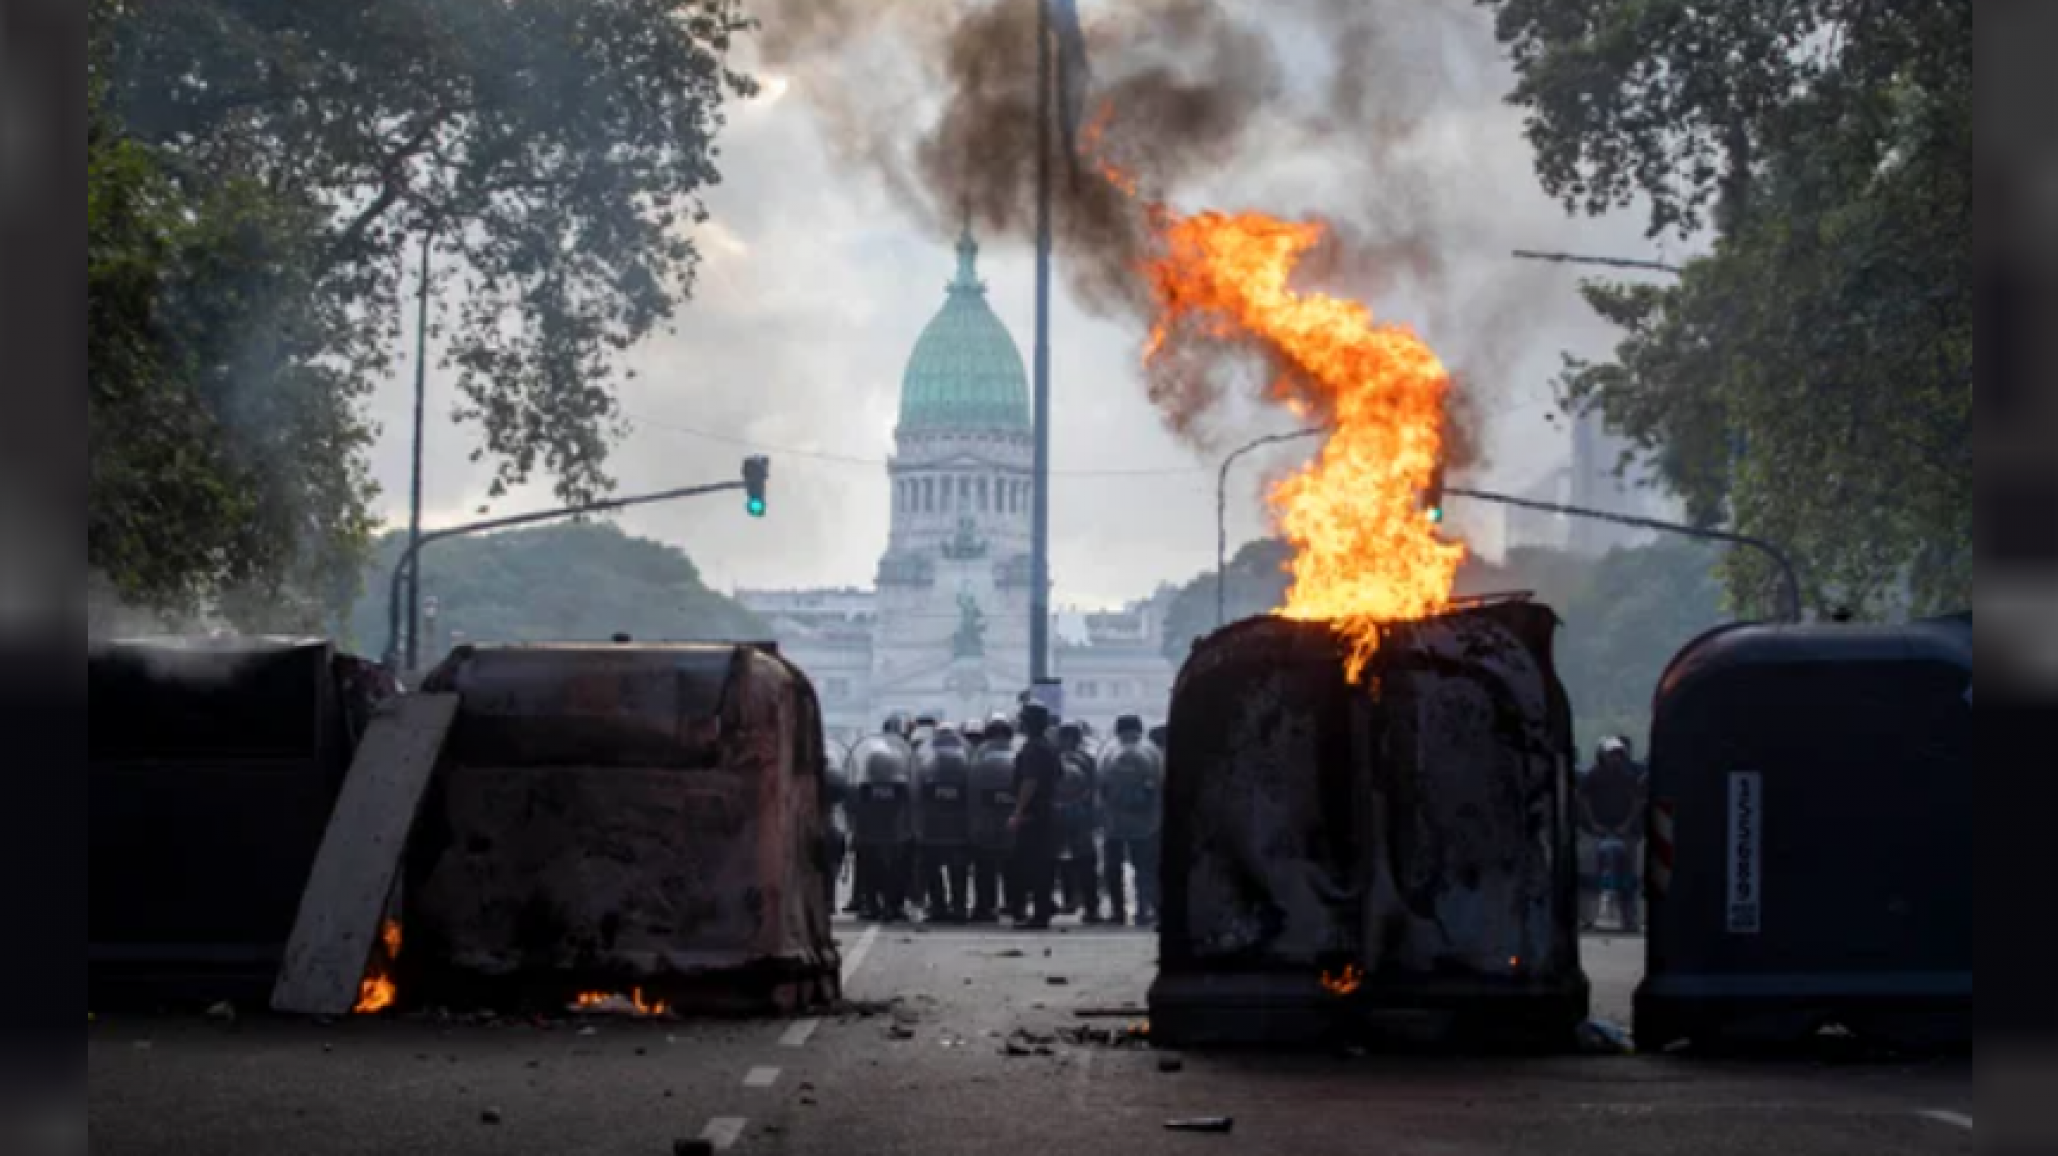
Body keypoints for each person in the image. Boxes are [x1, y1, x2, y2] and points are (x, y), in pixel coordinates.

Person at [1578, 737, 1649, 933]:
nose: (1615, 758)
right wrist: (1594, 823)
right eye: (1611, 754)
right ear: (1603, 755)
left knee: (1629, 877)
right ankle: (1587, 918)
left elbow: (1637, 801)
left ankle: (1630, 919)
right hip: (1596, 831)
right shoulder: (1594, 775)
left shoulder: (1630, 776)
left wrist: (1626, 825)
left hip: (1627, 833)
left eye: (1619, 754)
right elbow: (1584, 799)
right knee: (1590, 876)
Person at [1100, 716, 1165, 929]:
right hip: (1147, 821)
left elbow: (1098, 785)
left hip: (1113, 821)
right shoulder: (1153, 752)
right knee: (1144, 868)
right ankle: (1143, 910)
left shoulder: (1107, 751)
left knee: (1112, 867)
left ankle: (1118, 911)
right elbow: (1161, 784)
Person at [1007, 702, 1064, 931]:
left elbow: (1029, 782)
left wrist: (1018, 812)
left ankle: (1040, 912)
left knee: (1032, 864)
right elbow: (1060, 775)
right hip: (1047, 811)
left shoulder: (1033, 749)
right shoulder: (1049, 747)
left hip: (1034, 814)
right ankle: (1043, 906)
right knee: (1042, 863)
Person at [1054, 722, 1104, 924]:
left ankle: (1073, 900)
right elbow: (1095, 789)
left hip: (1062, 815)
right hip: (1083, 816)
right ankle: (1091, 907)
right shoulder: (1089, 759)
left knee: (1066, 859)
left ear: (1067, 739)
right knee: (1084, 861)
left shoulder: (1060, 759)